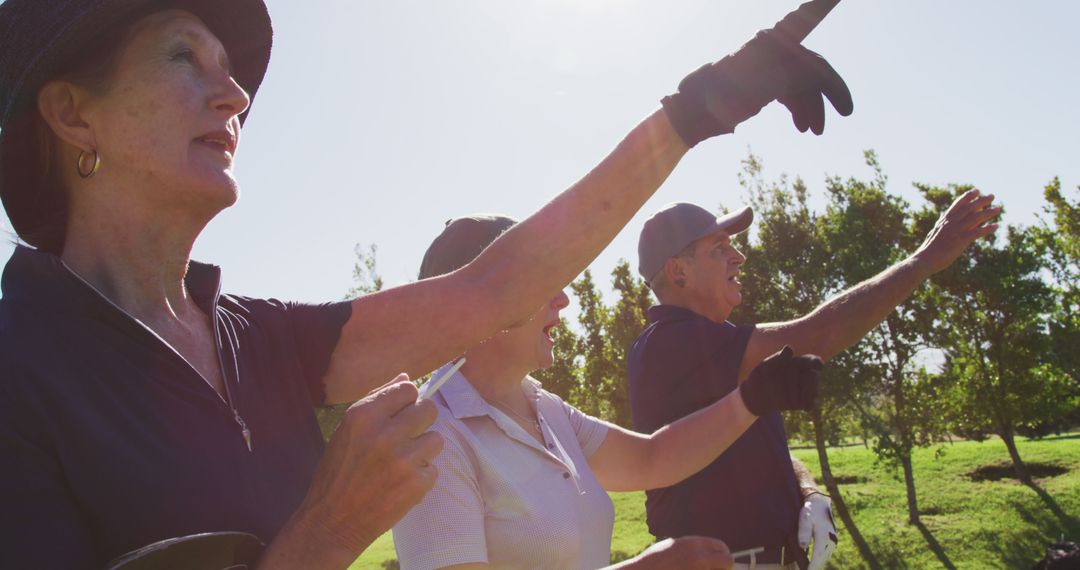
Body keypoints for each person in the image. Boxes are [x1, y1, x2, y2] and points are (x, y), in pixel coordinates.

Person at [0, 0, 853, 568]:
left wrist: (701, 108)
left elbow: (494, 288)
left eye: (232, 69)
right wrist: (325, 533)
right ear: (73, 114)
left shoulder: (256, 338)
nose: (234, 95)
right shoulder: (19, 370)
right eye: (184, 56)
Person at [392, 215, 823, 570]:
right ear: (477, 306)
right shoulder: (433, 437)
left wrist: (750, 400)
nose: (563, 298)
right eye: (542, 280)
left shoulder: (545, 408)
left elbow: (652, 458)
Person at [627, 197, 1001, 570]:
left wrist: (808, 490)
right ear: (679, 272)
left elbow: (764, 453)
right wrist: (923, 261)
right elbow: (818, 335)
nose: (738, 256)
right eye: (719, 249)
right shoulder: (672, 342)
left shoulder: (718, 345)